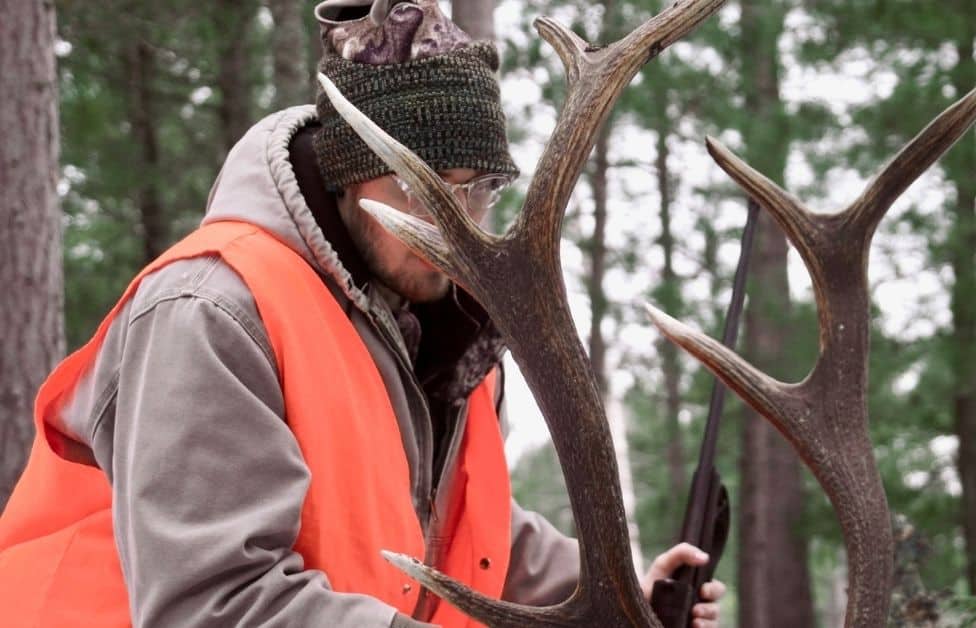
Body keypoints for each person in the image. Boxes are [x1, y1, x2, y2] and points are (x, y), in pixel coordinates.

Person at [0, 1, 725, 626]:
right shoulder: (212, 313)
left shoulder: (433, 329)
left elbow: (456, 533)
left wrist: (618, 593)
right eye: (418, 189)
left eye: (476, 191)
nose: (454, 224)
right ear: (346, 176)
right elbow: (215, 604)